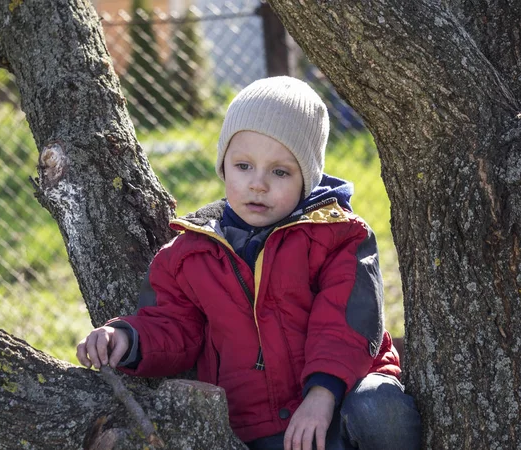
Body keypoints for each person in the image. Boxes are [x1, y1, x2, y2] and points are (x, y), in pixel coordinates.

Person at [76, 76, 422, 450]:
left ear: (308, 178)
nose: (258, 184)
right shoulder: (190, 254)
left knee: (381, 410)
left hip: (342, 399)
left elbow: (346, 322)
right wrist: (127, 338)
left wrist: (322, 396)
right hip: (258, 425)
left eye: (280, 172)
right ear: (223, 165)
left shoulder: (338, 236)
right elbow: (174, 325)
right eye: (244, 166)